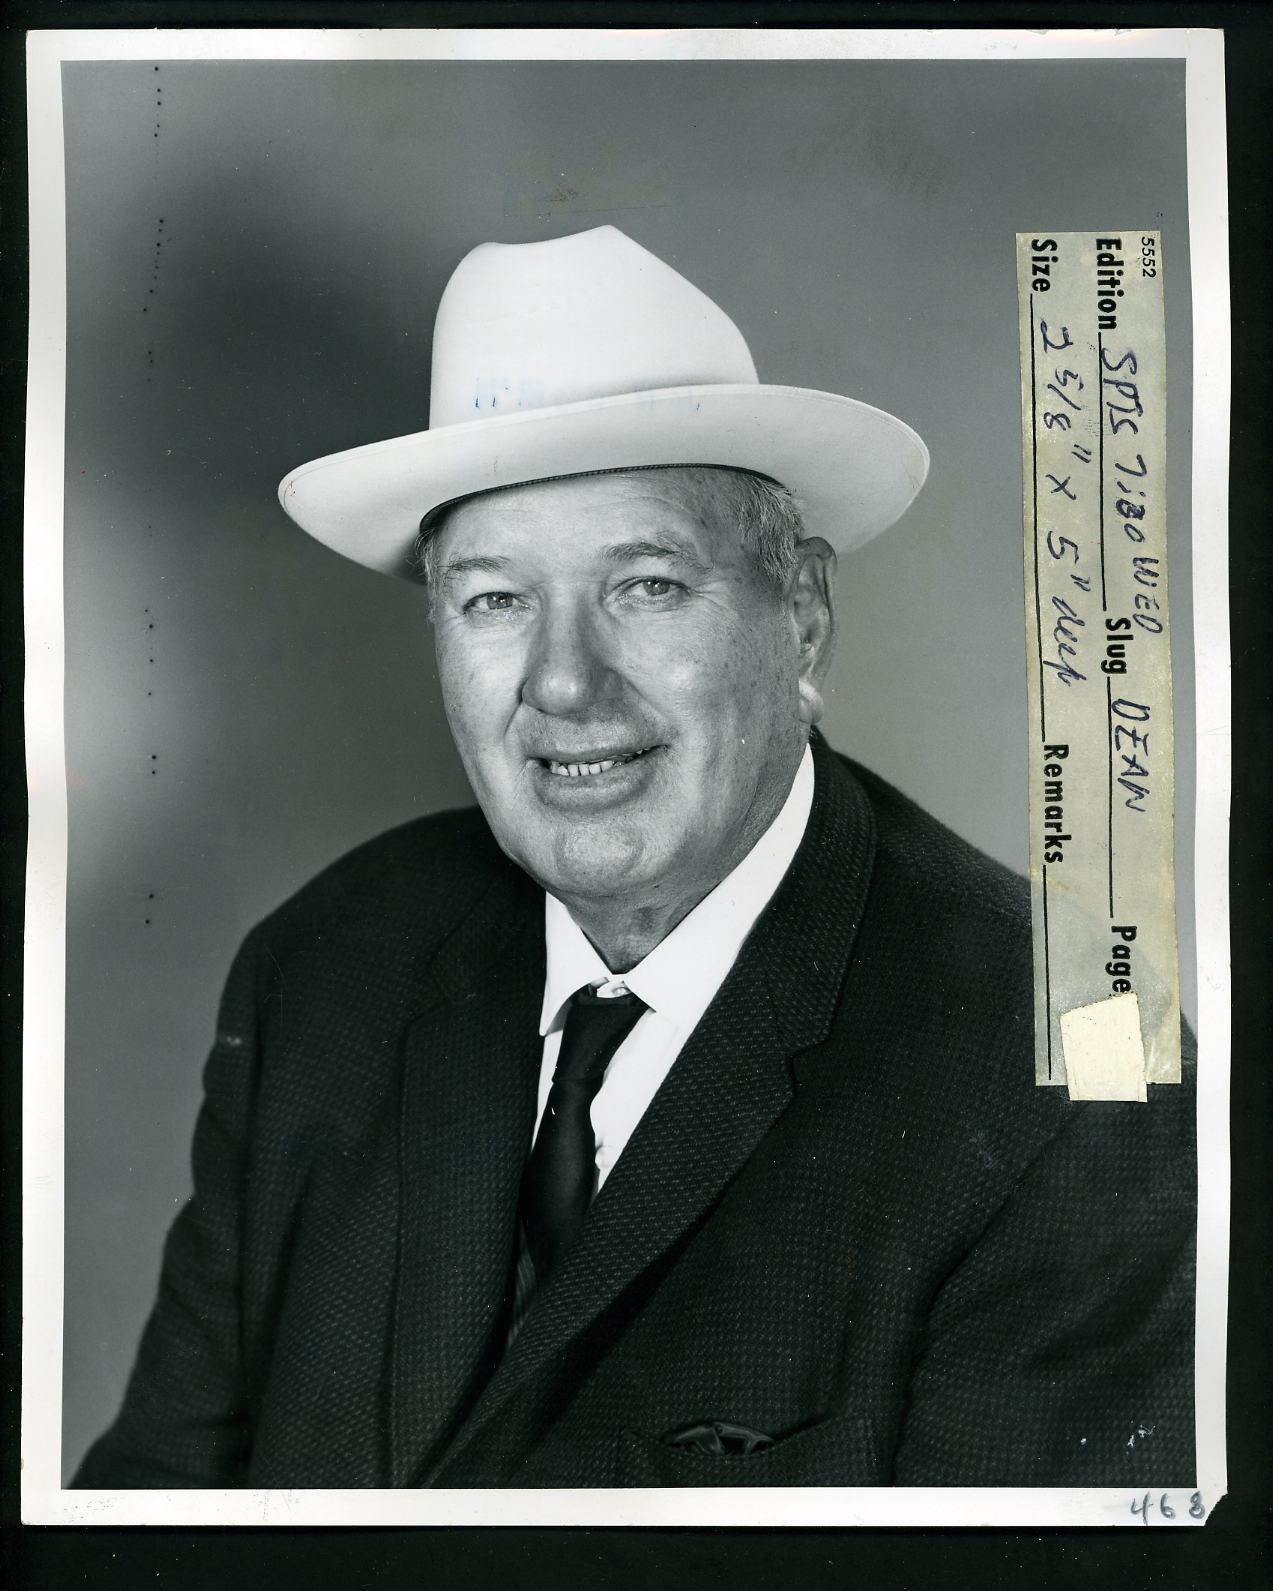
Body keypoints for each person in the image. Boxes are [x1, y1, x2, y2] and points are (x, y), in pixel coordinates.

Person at [73, 226, 1195, 1490]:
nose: (562, 682)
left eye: (645, 585)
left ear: (804, 614)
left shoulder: (1088, 1070)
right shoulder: (328, 965)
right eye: (494, 599)